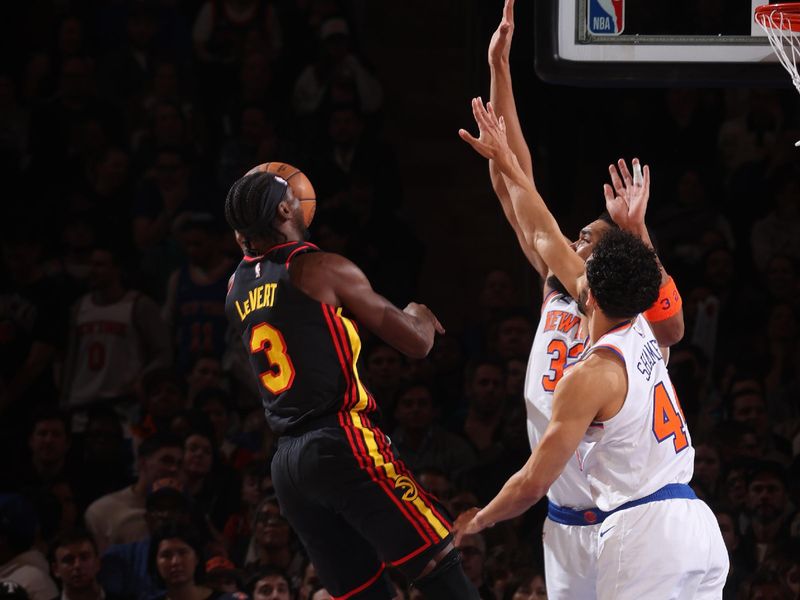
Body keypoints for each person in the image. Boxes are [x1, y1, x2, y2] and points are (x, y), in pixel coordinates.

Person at [455, 97, 729, 598]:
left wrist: (477, 520)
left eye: (585, 242)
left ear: (593, 285)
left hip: (635, 523)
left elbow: (533, 481)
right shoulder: (638, 330)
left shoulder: (596, 369)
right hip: (688, 522)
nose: (573, 246)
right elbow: (534, 219)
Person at [474, 2, 686, 598]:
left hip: (628, 510)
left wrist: (639, 228)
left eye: (587, 240)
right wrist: (501, 71)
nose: (574, 243)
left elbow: (672, 325)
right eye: (575, 238)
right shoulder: (559, 279)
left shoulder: (630, 311)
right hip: (566, 515)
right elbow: (513, 183)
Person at [223, 171, 479, 599]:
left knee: (363, 592)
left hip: (287, 464)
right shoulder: (319, 266)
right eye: (291, 196)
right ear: (286, 210)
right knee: (436, 561)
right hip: (340, 439)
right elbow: (416, 344)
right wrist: (417, 311)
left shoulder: (234, 288)